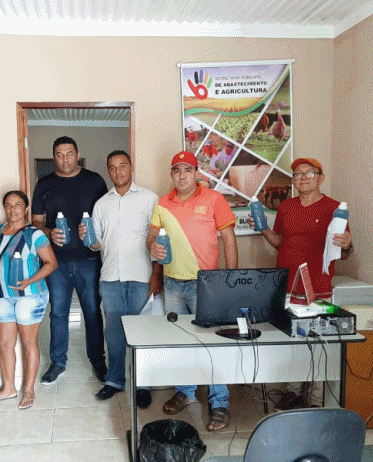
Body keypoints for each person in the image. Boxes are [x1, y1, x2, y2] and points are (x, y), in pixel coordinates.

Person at [248, 157, 353, 409]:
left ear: (321, 177)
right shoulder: (286, 207)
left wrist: (347, 244)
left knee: (319, 342)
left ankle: (316, 400)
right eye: (297, 174)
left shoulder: (334, 208)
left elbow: (344, 253)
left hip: (319, 287)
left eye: (309, 173)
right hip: (288, 285)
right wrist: (263, 229)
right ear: (293, 181)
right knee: (293, 340)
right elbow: (279, 243)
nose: (303, 177)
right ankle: (293, 392)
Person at [147, 151, 238, 432]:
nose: (182, 175)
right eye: (177, 170)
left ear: (197, 173)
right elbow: (152, 236)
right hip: (173, 283)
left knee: (212, 344)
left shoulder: (214, 199)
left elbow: (228, 238)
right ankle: (185, 391)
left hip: (206, 284)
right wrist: (152, 246)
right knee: (180, 341)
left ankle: (219, 402)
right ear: (171, 175)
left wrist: (230, 280)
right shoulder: (162, 203)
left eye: (188, 169)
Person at [79, 151, 161, 408]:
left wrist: (156, 274)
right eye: (112, 168)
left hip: (141, 276)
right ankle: (115, 381)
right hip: (111, 277)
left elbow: (158, 239)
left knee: (142, 333)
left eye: (122, 166)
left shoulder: (149, 199)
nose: (118, 172)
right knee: (114, 334)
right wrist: (87, 237)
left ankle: (143, 384)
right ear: (109, 172)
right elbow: (96, 244)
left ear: (131, 167)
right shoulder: (102, 204)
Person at [32, 136, 108, 385]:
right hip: (56, 262)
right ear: (54, 157)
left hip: (89, 259)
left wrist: (93, 231)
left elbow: (106, 217)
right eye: (59, 155)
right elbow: (36, 222)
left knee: (92, 313)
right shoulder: (44, 184)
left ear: (77, 154)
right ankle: (58, 363)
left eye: (69, 154)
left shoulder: (94, 181)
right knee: (58, 314)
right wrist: (48, 232)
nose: (65, 160)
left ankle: (98, 361)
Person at [0, 191, 58, 410]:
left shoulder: (34, 234)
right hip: (4, 296)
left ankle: (29, 390)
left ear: (25, 208)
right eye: (8, 205)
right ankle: (8, 388)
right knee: (5, 344)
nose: (12, 209)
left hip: (31, 296)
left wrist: (29, 280)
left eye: (17, 204)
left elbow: (51, 263)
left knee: (28, 343)